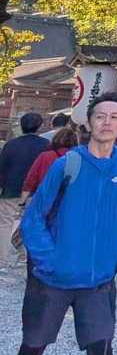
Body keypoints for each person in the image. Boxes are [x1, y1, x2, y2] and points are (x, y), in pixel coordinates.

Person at [10, 92, 117, 355]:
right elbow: (33, 217)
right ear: (88, 122)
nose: (107, 122)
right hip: (52, 280)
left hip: (99, 281)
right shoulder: (67, 164)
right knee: (31, 349)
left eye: (114, 117)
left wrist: (113, 253)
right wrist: (50, 261)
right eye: (100, 116)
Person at [0, 114, 48, 267]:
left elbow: (2, 167)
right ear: (40, 126)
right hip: (36, 191)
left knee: (5, 223)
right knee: (32, 223)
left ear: (21, 126)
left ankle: (2, 259)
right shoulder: (46, 145)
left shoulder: (11, 144)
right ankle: (26, 256)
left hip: (11, 189)